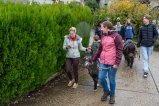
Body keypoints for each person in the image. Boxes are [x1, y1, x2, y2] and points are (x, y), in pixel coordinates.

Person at [92, 21, 123, 104]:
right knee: (101, 78)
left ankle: (112, 95)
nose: (101, 29)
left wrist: (117, 63)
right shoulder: (103, 36)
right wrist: (94, 59)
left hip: (112, 62)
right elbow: (100, 49)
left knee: (111, 79)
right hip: (103, 61)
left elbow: (120, 50)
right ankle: (106, 91)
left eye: (102, 27)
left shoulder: (116, 36)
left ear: (106, 27)